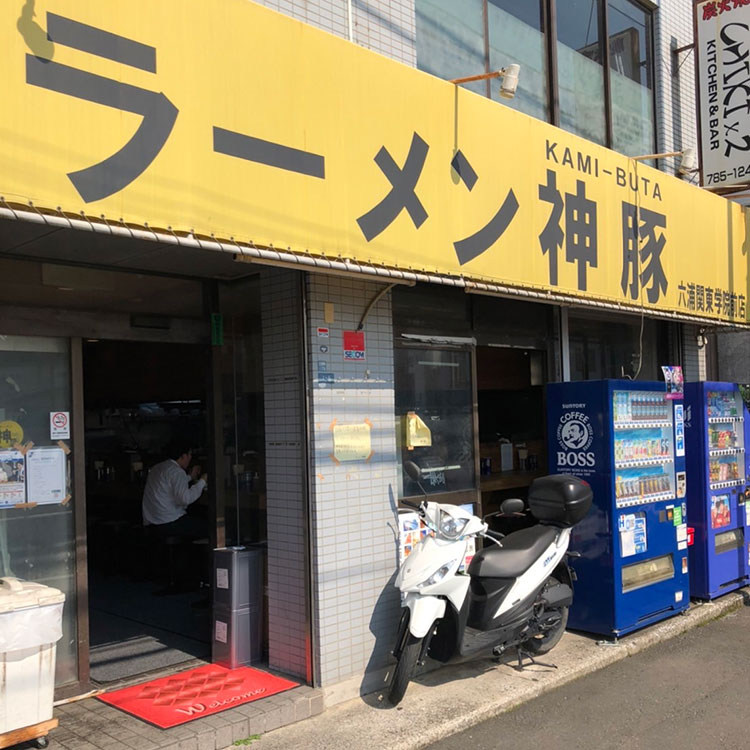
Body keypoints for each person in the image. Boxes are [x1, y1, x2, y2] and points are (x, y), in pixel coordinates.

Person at [142, 443, 207, 540]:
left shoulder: (157, 467)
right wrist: (203, 480)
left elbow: (169, 484)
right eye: (189, 455)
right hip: (169, 522)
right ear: (183, 456)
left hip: (151, 522)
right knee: (210, 527)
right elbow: (185, 499)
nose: (190, 458)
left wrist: (190, 477)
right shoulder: (177, 471)